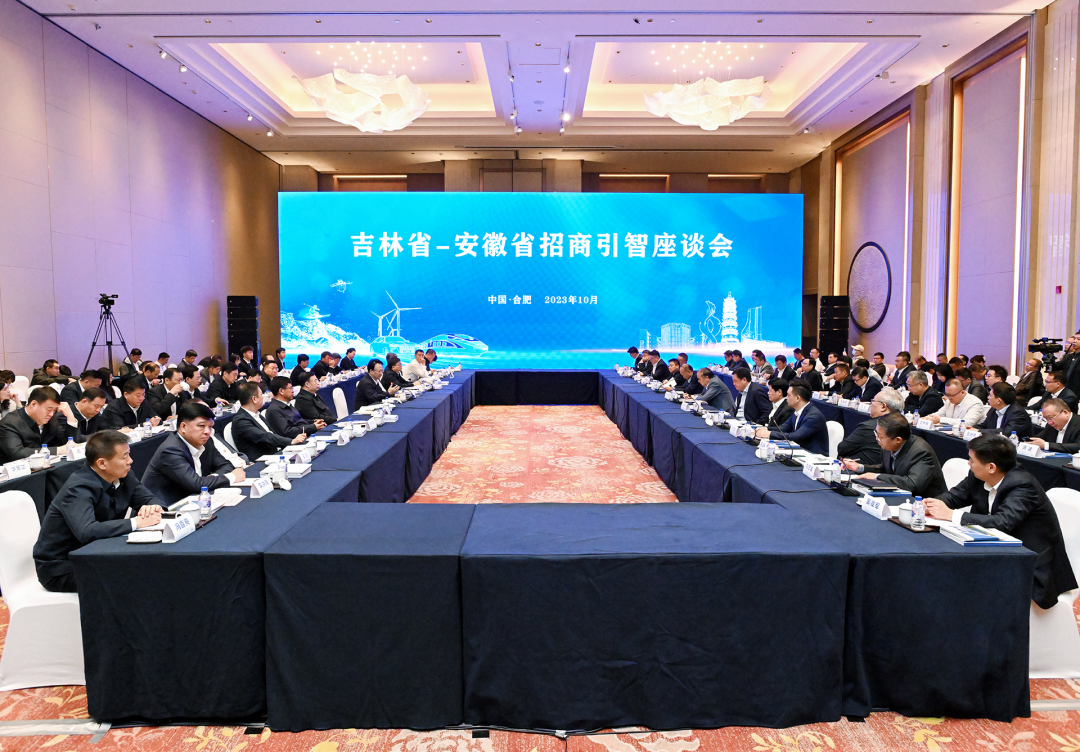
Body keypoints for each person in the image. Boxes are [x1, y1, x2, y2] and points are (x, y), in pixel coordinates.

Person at [924, 435, 1077, 609]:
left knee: (961, 577)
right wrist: (931, 504)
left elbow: (1002, 523)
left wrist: (951, 515)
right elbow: (954, 496)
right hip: (996, 551)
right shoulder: (978, 476)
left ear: (991, 467)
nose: (969, 463)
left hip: (1031, 564)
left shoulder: (1023, 485)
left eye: (972, 460)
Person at [33, 431, 164, 592]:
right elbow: (87, 531)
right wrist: (136, 522)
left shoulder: (124, 475)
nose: (130, 461)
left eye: (129, 454)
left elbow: (151, 499)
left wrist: (152, 508)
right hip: (63, 567)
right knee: (133, 577)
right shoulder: (78, 488)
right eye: (124, 457)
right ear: (102, 463)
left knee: (148, 566)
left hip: (96, 553)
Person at [141, 402, 245, 505]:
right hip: (164, 508)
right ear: (183, 427)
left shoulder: (206, 442)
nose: (207, 431)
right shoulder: (170, 450)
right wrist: (231, 477)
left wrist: (209, 479)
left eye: (210, 426)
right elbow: (196, 484)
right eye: (201, 426)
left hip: (193, 501)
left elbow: (227, 465)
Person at [842, 412, 948, 497]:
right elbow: (885, 469)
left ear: (898, 440)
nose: (877, 439)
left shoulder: (921, 452)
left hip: (925, 504)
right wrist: (859, 467)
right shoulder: (889, 444)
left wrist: (877, 477)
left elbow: (912, 484)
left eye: (880, 437)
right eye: (876, 434)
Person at [230, 381, 306, 460]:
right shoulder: (240, 420)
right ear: (254, 399)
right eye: (261, 395)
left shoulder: (256, 414)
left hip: (275, 453)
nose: (263, 397)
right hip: (261, 460)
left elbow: (271, 433)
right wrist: (291, 441)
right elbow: (264, 436)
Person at [0, 387, 74, 461]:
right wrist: (57, 450)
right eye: (49, 409)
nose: (51, 414)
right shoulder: (9, 423)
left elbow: (68, 443)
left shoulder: (51, 419)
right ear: (33, 404)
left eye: (54, 410)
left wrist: (71, 417)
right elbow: (17, 453)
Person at [756, 383, 829, 456]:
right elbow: (784, 428)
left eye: (788, 395)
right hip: (800, 450)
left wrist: (770, 434)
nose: (786, 398)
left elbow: (796, 436)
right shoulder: (797, 411)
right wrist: (766, 429)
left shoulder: (813, 416)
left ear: (797, 398)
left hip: (813, 454)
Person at [837, 387, 905, 466]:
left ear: (883, 406)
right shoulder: (904, 427)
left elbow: (842, 448)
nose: (871, 404)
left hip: (862, 469)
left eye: (873, 401)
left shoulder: (868, 427)